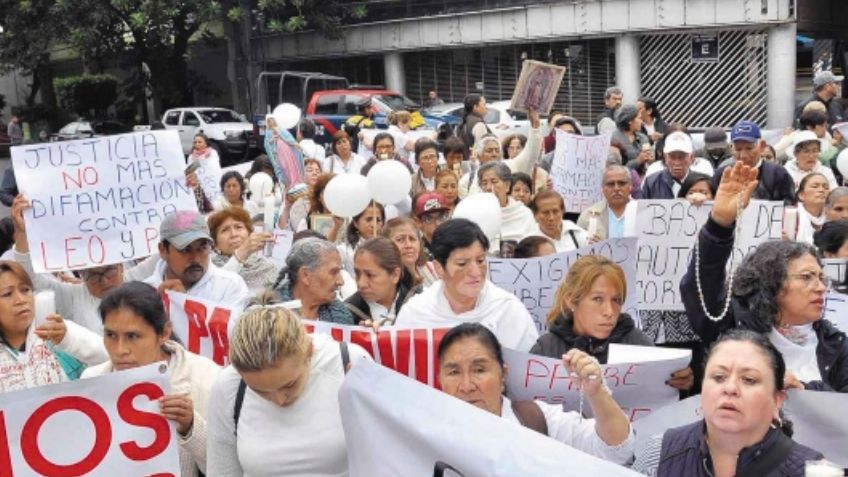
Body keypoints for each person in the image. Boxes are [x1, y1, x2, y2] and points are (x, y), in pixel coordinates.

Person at [682, 161, 848, 392]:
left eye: (821, 278)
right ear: (771, 284)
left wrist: (805, 391)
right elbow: (701, 283)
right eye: (806, 277)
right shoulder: (733, 328)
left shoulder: (838, 346)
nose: (820, 287)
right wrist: (719, 224)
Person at [61, 282, 220, 477]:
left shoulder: (204, 378)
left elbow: (225, 468)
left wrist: (191, 427)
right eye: (110, 335)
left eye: (133, 336)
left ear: (163, 333)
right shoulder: (92, 379)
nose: (120, 350)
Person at [206, 300, 371, 476]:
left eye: (289, 384)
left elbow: (384, 454)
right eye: (260, 391)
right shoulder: (228, 386)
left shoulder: (349, 362)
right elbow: (221, 470)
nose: (279, 400)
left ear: (308, 350)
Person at [437, 323, 634, 464]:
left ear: (503, 373)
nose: (466, 385)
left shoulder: (537, 420)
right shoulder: (423, 429)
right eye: (454, 372)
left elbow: (615, 451)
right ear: (439, 379)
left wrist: (597, 392)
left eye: (479, 370)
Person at [632, 330, 824, 475]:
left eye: (749, 380)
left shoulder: (812, 470)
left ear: (777, 400)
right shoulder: (660, 454)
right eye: (718, 377)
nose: (730, 388)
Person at [531, 256, 694, 390]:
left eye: (616, 300)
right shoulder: (546, 348)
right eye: (597, 299)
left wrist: (680, 382)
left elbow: (661, 401)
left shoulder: (637, 343)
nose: (609, 311)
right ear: (571, 301)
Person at [11, 195, 158, 333]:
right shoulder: (72, 297)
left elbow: (168, 252)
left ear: (121, 265)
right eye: (93, 275)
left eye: (109, 271)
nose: (105, 280)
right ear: (81, 275)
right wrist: (22, 232)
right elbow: (29, 276)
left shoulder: (138, 278)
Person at [396, 219, 539, 351]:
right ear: (439, 268)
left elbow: (527, 369)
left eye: (480, 260)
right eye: (462, 264)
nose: (475, 272)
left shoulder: (508, 309)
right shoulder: (415, 313)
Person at [0, 261, 106, 392]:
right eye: (7, 294)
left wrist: (69, 340)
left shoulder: (59, 330)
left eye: (25, 290)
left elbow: (114, 358)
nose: (20, 300)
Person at [145, 210, 251, 312]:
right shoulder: (145, 293)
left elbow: (231, 330)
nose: (196, 258)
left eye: (202, 248)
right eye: (185, 250)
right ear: (163, 250)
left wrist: (186, 305)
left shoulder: (230, 286)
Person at [458, 109, 543, 198]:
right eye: (489, 151)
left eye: (497, 150)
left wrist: (535, 126)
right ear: (479, 156)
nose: (494, 154)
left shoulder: (512, 166)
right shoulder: (467, 180)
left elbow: (531, 154)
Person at [273, 237, 355, 324]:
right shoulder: (268, 319)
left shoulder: (342, 318)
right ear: (305, 275)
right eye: (333, 272)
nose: (340, 281)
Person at [712, 121, 795, 204]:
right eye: (738, 149)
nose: (743, 155)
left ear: (762, 146)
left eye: (749, 148)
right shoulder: (722, 174)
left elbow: (788, 205)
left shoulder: (778, 173)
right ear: (731, 149)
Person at [345, 237, 421, 326]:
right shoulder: (347, 314)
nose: (361, 283)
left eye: (370, 275)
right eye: (357, 274)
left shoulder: (421, 305)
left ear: (395, 275)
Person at [208, 207, 277, 294]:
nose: (234, 234)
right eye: (225, 230)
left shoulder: (267, 267)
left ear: (249, 233)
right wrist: (241, 253)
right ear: (215, 244)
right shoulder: (209, 270)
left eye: (238, 227)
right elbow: (217, 290)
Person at [478, 161, 541, 252]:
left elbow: (534, 248)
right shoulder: (475, 213)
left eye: (494, 181)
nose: (488, 187)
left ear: (507, 185)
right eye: (484, 183)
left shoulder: (523, 214)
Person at [577, 165, 639, 241]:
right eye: (610, 184)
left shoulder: (643, 212)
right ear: (602, 188)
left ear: (630, 186)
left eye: (621, 183)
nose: (616, 188)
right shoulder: (587, 217)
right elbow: (579, 249)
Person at [642, 131, 709, 199]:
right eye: (672, 157)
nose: (677, 162)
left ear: (691, 158)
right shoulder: (652, 182)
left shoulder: (703, 183)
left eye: (681, 157)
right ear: (665, 157)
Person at [383, 217, 439, 287]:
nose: (408, 245)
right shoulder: (385, 280)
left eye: (412, 239)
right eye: (400, 239)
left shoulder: (434, 268)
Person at [337, 202, 385, 276]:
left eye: (378, 220)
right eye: (369, 220)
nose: (374, 225)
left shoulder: (388, 249)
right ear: (356, 223)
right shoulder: (346, 250)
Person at [279, 158, 322, 230]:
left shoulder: (324, 197)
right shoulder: (293, 196)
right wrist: (287, 207)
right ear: (301, 175)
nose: (315, 173)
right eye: (310, 170)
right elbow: (281, 228)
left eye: (318, 171)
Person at [412, 191, 452, 260]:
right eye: (428, 218)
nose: (438, 223)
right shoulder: (416, 253)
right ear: (418, 222)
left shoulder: (456, 244)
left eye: (442, 216)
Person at [795, 172, 830, 245]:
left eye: (826, 187)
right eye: (815, 186)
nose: (821, 190)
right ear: (801, 195)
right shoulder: (791, 214)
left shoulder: (833, 215)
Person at [613, 105, 652, 170]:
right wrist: (638, 161)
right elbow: (615, 169)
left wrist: (650, 158)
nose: (642, 122)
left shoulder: (642, 137)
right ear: (630, 121)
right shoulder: (614, 140)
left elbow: (651, 160)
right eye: (639, 118)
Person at [188, 133, 223, 203]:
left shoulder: (213, 153)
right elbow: (189, 171)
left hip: (213, 187)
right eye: (195, 142)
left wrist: (200, 159)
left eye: (200, 142)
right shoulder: (191, 157)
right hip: (200, 188)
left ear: (205, 144)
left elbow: (213, 168)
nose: (197, 144)